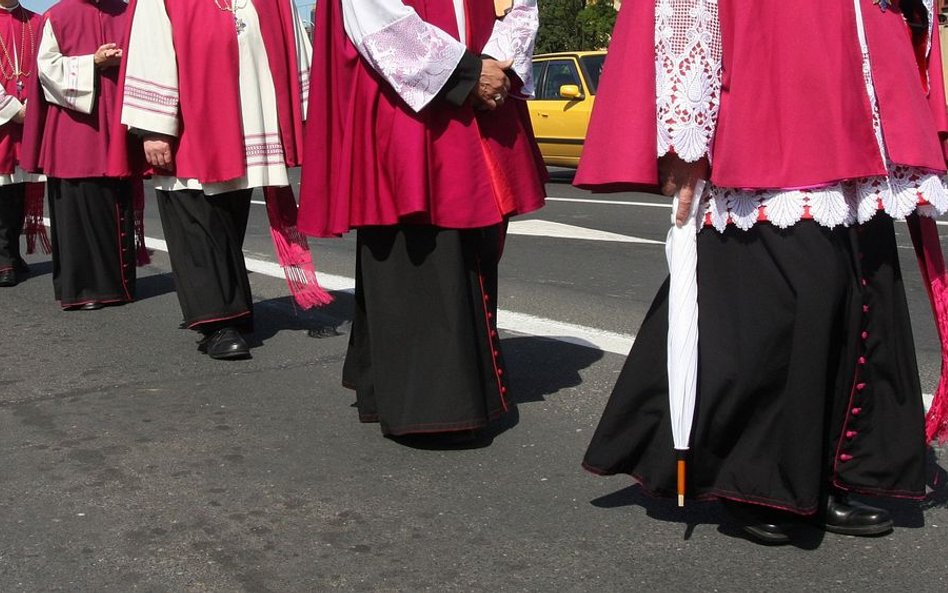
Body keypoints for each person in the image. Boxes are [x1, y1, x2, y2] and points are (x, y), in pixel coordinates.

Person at [576, 0, 948, 544]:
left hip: (848, 79)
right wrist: (687, 132)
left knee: (855, 285)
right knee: (788, 292)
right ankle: (754, 476)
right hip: (770, 79)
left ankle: (827, 474)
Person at [297, 1, 547, 438]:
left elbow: (518, 6)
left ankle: (431, 384)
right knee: (416, 237)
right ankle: (430, 403)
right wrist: (466, 74)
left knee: (475, 236)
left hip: (482, 92)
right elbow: (374, 14)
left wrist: (495, 67)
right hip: (409, 98)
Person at [120, 0, 324, 361]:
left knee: (228, 218)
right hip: (191, 128)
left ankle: (234, 309)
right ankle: (216, 323)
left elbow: (297, 49)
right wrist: (154, 127)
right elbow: (150, 47)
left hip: (250, 121)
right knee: (195, 219)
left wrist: (306, 114)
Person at [20, 0, 143, 310]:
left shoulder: (129, 12)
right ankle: (82, 289)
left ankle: (117, 286)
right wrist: (93, 62)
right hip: (74, 131)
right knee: (76, 212)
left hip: (118, 124)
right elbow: (47, 71)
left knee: (116, 204)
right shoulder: (59, 15)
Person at [0, 0, 43, 288]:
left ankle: (12, 253)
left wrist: (35, 106)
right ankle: (2, 258)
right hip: (4, 120)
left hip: (30, 119)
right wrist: (13, 109)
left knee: (19, 188)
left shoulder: (37, 21)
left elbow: (47, 67)